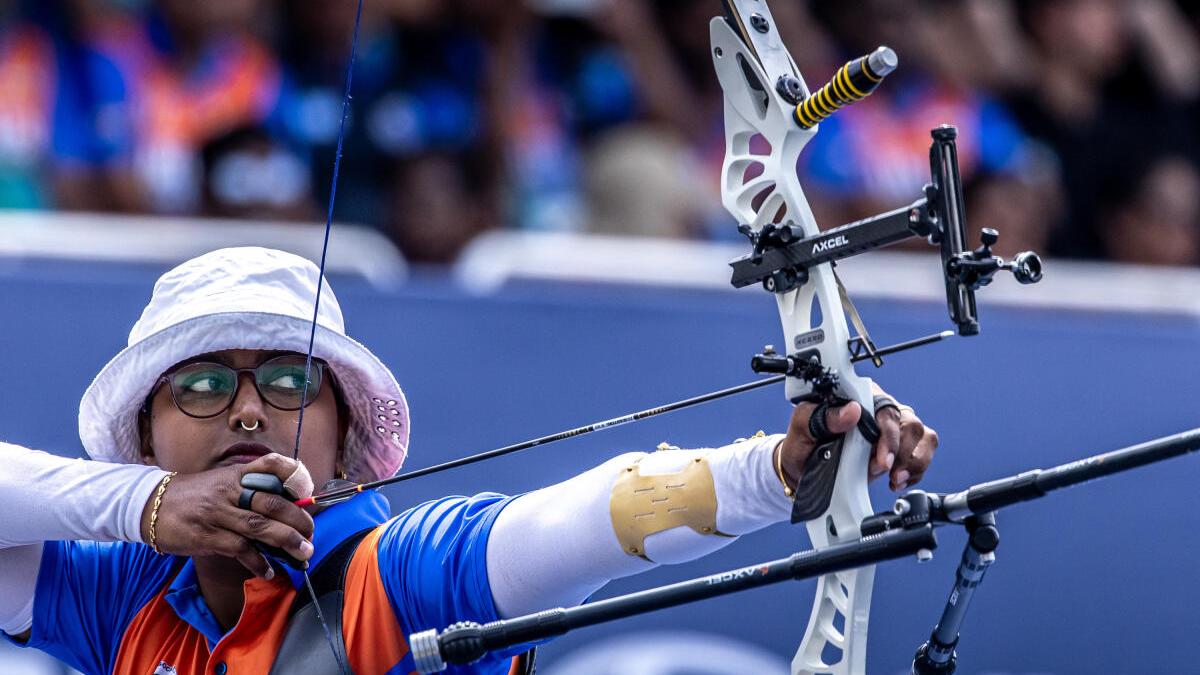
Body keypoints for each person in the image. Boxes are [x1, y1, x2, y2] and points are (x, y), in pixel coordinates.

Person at [0, 247, 937, 674]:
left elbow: (575, 522)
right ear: (149, 438)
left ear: (342, 435)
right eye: (201, 387)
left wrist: (777, 467)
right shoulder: (119, 591)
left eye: (287, 379)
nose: (247, 406)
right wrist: (144, 508)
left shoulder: (400, 576)